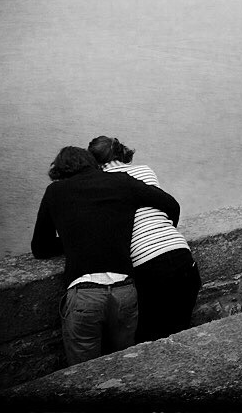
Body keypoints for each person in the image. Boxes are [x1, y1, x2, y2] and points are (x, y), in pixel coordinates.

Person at [31, 145, 180, 366]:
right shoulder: (121, 181)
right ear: (92, 163)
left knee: (85, 375)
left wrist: (76, 240)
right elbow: (170, 204)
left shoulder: (55, 191)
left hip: (84, 293)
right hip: (124, 291)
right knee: (125, 367)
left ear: (60, 170)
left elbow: (40, 247)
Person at [88, 136, 202, 343]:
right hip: (182, 257)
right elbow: (166, 205)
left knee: (149, 343)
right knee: (180, 337)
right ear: (121, 151)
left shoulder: (100, 184)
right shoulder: (146, 171)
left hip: (149, 267)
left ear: (92, 161)